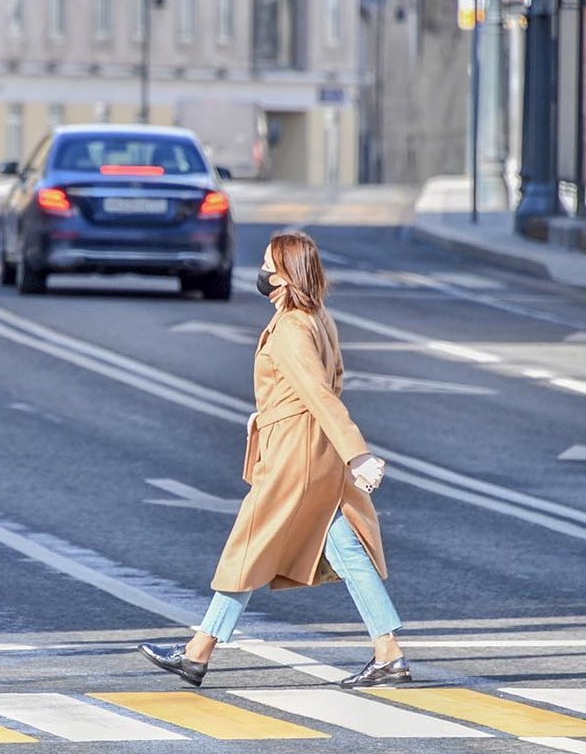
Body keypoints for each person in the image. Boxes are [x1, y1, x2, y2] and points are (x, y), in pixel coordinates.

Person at [139, 230, 409, 689]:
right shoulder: (318, 317)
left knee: (249, 544)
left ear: (285, 275)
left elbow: (321, 394)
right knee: (345, 548)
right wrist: (280, 410)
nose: (262, 275)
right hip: (313, 449)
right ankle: (389, 654)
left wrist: (357, 454)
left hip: (294, 455)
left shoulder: (289, 329)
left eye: (268, 266)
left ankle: (197, 653)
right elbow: (333, 380)